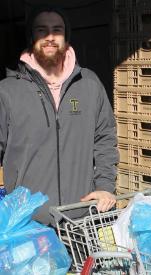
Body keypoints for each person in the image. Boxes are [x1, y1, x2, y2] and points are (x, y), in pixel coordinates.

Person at [0, 6, 119, 224]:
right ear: (31, 37)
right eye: (41, 30)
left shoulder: (89, 84)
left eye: (57, 30)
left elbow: (104, 140)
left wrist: (105, 187)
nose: (50, 38)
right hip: (28, 223)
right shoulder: (7, 91)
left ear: (67, 37)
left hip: (81, 218)